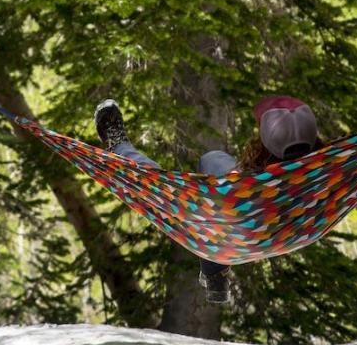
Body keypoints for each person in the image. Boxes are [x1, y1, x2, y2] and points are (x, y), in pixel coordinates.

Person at [94, 95, 323, 305]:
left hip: (245, 228)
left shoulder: (245, 188)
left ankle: (120, 147)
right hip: (301, 228)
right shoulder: (334, 168)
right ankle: (215, 272)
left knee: (183, 178)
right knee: (213, 176)